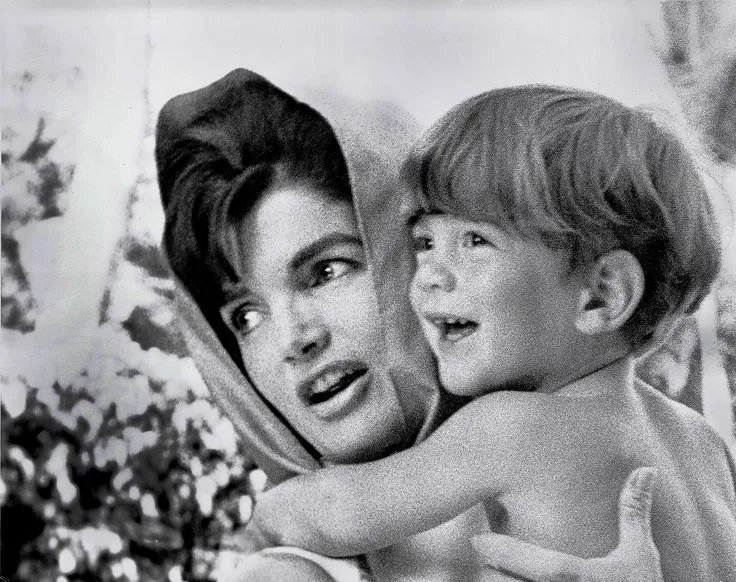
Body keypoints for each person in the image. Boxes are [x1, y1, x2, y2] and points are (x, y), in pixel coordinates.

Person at [156, 69, 668, 581]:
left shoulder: (513, 430)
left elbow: (337, 512)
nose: (294, 340)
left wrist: (261, 517)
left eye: (327, 271)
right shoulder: (690, 442)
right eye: (245, 316)